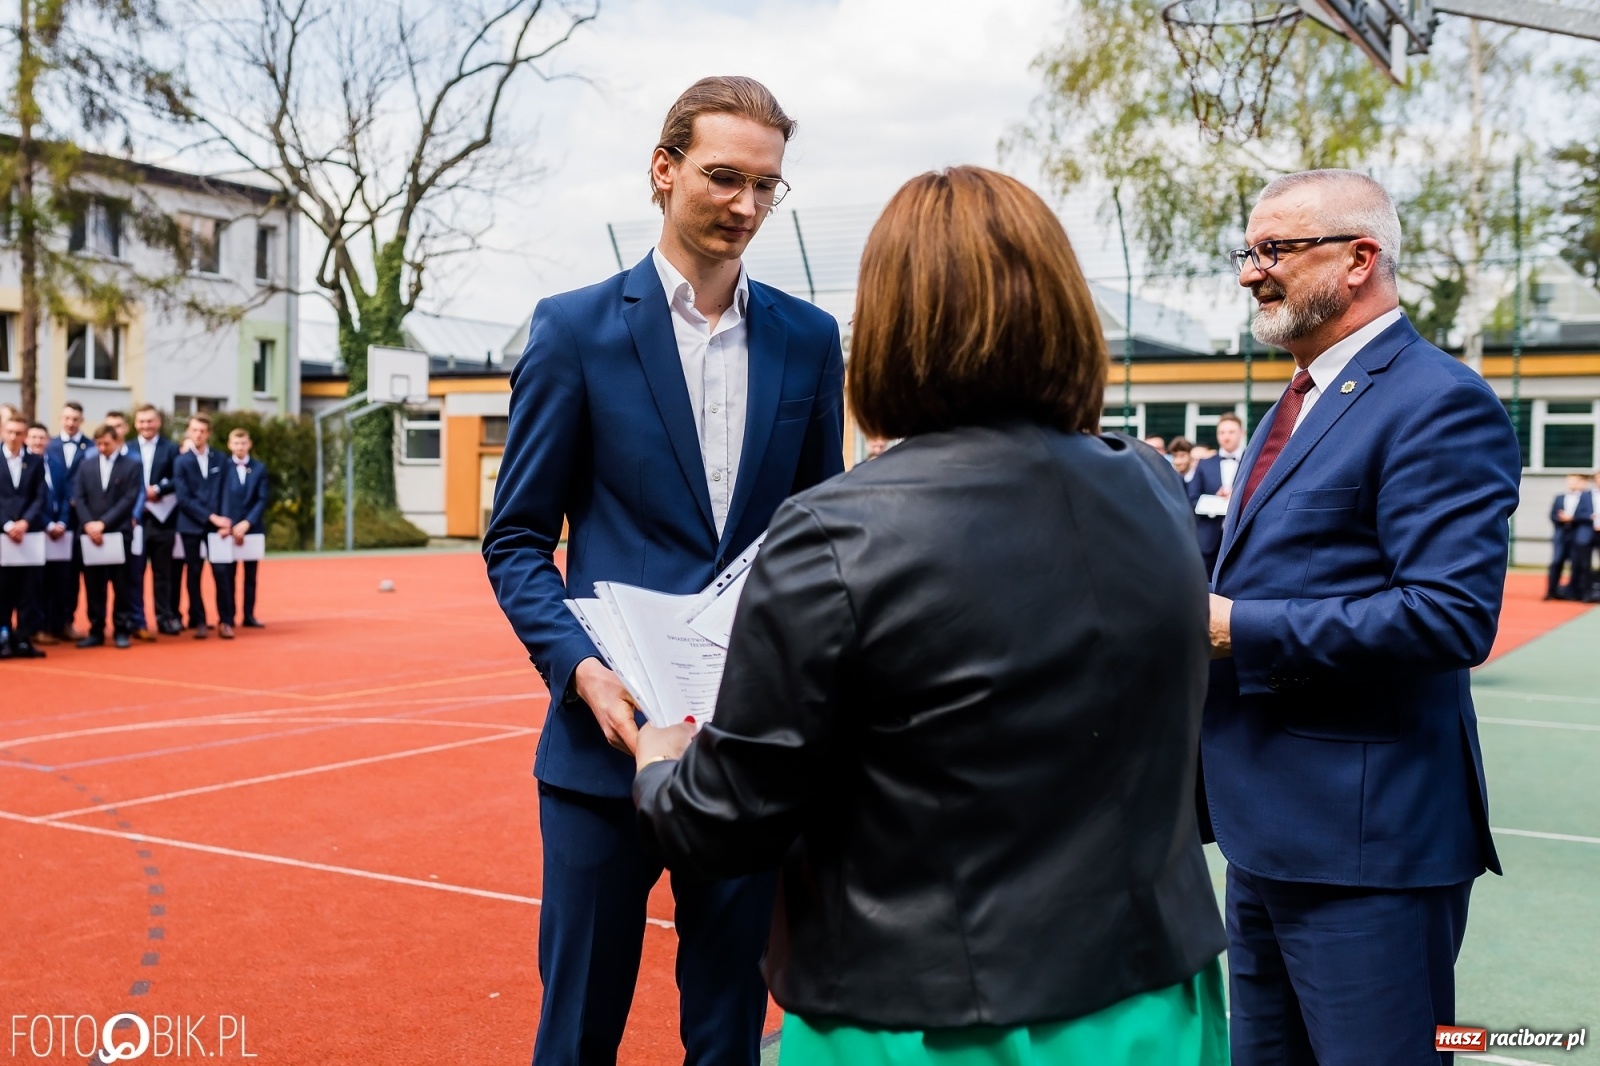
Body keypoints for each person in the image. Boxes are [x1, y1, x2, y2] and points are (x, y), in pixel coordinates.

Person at [632, 166, 1227, 1066]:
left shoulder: (836, 530)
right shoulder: (1149, 484)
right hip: (1153, 995)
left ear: (893, 327)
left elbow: (727, 817)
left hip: (928, 1014)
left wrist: (659, 765)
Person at [483, 76, 845, 1066]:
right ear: (663, 169)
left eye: (766, 186)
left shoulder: (810, 340)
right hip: (604, 752)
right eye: (724, 177)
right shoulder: (573, 330)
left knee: (728, 1039)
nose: (746, 205)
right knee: (577, 1037)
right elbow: (516, 540)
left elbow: (815, 536)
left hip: (747, 749)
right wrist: (581, 672)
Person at [1204, 170, 1521, 1066]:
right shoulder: (1299, 399)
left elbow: (1449, 615)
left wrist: (1235, 628)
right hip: (1265, 836)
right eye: (1247, 251)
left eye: (1275, 249)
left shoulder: (1437, 399)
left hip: (1368, 849)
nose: (1251, 272)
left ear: (1359, 259)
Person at [71, 423, 143, 649]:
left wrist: (103, 523)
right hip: (91, 536)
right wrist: (90, 525)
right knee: (94, 585)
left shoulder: (132, 465)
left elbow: (129, 499)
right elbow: (79, 497)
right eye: (98, 444)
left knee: (121, 585)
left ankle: (121, 629)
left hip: (119, 533)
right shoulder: (86, 465)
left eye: (107, 444)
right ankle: (96, 630)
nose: (102, 448)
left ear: (117, 442)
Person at [172, 414, 230, 640]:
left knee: (222, 572)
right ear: (189, 432)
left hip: (218, 528)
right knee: (194, 573)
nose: (198, 434)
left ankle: (225, 621)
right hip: (191, 525)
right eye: (194, 430)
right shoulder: (181, 461)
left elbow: (226, 491)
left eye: (202, 431)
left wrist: (224, 521)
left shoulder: (220, 459)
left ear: (209, 433)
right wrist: (211, 517)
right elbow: (183, 498)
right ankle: (199, 620)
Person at [1, 414, 49, 660]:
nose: (14, 437)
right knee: (3, 589)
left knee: (29, 590)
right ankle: (3, 637)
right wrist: (8, 524)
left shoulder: (35, 461)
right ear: (3, 432)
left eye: (19, 433)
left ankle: (23, 639)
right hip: (3, 536)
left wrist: (25, 522)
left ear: (25, 436)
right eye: (10, 432)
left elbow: (40, 496)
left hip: (29, 535)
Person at [130, 405, 182, 635]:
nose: (146, 425)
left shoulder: (171, 449)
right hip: (136, 521)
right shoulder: (128, 448)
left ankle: (164, 618)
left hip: (163, 520)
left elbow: (178, 478)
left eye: (150, 421)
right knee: (134, 574)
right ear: (135, 424)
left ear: (158, 422)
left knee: (163, 574)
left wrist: (158, 489)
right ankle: (136, 621)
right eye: (142, 421)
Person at [41, 401, 89, 643]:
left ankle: (66, 622)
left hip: (79, 521)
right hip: (51, 521)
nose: (70, 423)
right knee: (46, 575)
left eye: (75, 419)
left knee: (71, 576)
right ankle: (44, 624)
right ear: (60, 419)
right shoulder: (48, 445)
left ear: (82, 421)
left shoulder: (91, 446)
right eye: (67, 418)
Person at [213, 427, 268, 638]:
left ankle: (249, 615)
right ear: (230, 445)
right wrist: (226, 524)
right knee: (227, 575)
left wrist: (247, 523)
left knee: (251, 576)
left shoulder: (259, 468)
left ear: (249, 444)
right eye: (236, 443)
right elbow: (218, 497)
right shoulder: (222, 467)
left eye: (243, 443)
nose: (240, 447)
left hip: (251, 529)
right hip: (227, 529)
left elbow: (262, 499)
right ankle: (227, 617)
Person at [1187, 412, 1246, 578]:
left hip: (1241, 537)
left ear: (1242, 433)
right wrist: (1215, 502)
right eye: (1222, 432)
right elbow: (1192, 499)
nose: (1226, 436)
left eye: (1231, 432)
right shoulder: (1204, 464)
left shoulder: (1253, 461)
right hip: (1208, 538)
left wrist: (1236, 496)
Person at [1546, 473, 1593, 601]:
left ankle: (1572, 592)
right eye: (1570, 481)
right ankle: (1551, 591)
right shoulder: (1559, 498)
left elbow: (1588, 516)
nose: (1572, 483)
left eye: (1574, 481)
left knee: (1576, 564)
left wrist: (1572, 519)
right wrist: (1562, 519)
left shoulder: (1585, 498)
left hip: (1576, 535)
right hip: (1561, 535)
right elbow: (1552, 515)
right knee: (1556, 562)